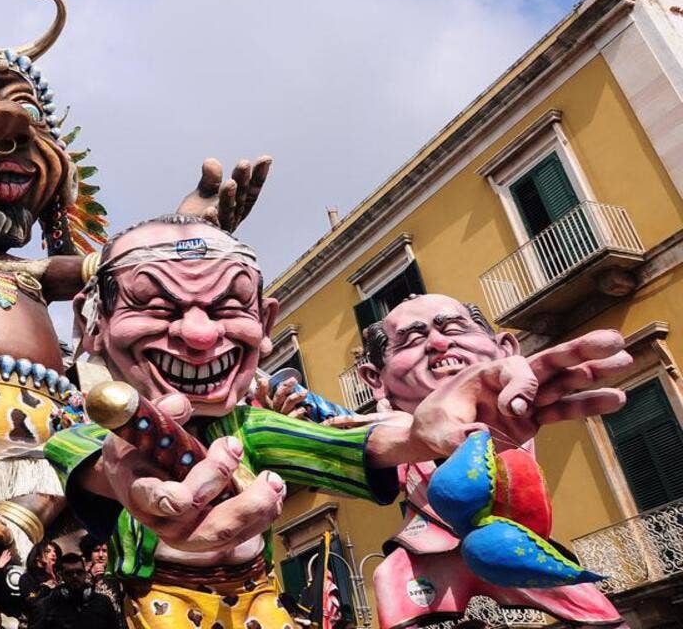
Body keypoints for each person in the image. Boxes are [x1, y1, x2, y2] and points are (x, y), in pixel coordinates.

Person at [45, 215, 631, 628]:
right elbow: (102, 465)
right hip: (155, 608)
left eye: (228, 306)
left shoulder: (254, 429)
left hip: (264, 607)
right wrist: (125, 474)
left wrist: (423, 431)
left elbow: (357, 442)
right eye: (156, 305)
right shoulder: (87, 433)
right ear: (93, 324)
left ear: (265, 318)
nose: (200, 337)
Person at [354, 293, 628, 628]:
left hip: (511, 545)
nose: (439, 343)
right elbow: (359, 444)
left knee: (598, 615)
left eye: (454, 327)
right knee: (390, 580)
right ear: (375, 379)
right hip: (428, 550)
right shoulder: (390, 429)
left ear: (506, 348)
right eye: (412, 339)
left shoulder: (518, 409)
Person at [27, 553, 121, 629]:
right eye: (69, 574)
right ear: (61, 576)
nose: (75, 577)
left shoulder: (102, 602)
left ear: (85, 574)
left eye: (79, 572)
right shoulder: (47, 606)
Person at [16, 541, 59, 618]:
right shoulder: (27, 578)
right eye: (47, 551)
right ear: (37, 556)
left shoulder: (59, 575)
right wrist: (45, 588)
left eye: (55, 551)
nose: (54, 554)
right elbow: (31, 597)